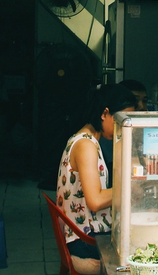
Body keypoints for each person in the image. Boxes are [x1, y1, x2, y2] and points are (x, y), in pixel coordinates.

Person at [56, 84, 137, 260]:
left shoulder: (88, 139)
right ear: (104, 113)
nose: (123, 127)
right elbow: (95, 201)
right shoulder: (85, 145)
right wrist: (132, 187)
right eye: (121, 120)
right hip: (85, 239)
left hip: (88, 233)